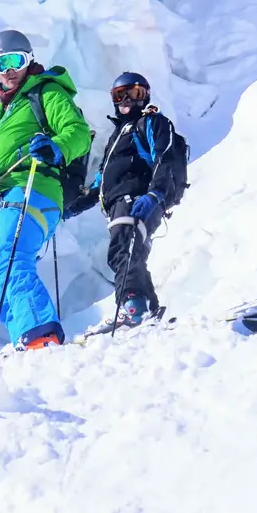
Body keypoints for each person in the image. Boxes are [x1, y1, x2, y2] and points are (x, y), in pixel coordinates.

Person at [0, 30, 92, 350]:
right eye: (2, 62)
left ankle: (41, 334)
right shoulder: (1, 114)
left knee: (12, 259)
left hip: (36, 188)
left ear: (29, 61)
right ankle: (25, 341)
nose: (10, 69)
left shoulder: (47, 92)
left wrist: (56, 148)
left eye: (16, 60)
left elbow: (78, 132)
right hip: (5, 199)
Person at [83, 72, 188, 330]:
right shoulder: (119, 135)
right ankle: (147, 309)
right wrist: (72, 207)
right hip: (120, 200)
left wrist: (155, 193)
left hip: (140, 195)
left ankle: (131, 308)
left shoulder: (152, 123)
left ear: (146, 96)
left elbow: (164, 158)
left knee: (124, 248)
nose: (128, 99)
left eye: (135, 93)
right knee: (131, 250)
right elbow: (100, 181)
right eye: (121, 95)